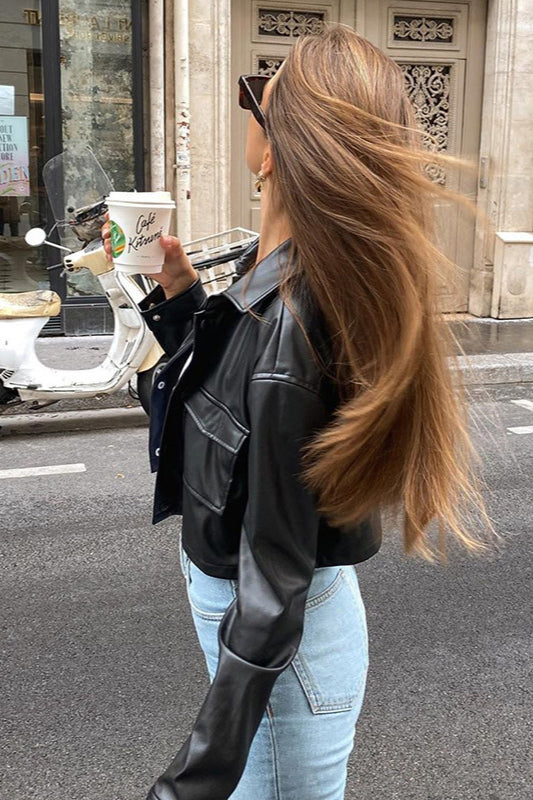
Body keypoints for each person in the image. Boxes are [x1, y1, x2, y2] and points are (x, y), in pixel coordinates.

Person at [103, 25, 490, 800]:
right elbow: (228, 416)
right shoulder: (276, 272)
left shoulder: (291, 323)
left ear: (275, 152)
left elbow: (272, 596)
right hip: (267, 629)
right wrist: (181, 302)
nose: (244, 107)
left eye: (257, 96)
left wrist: (183, 788)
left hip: (276, 652)